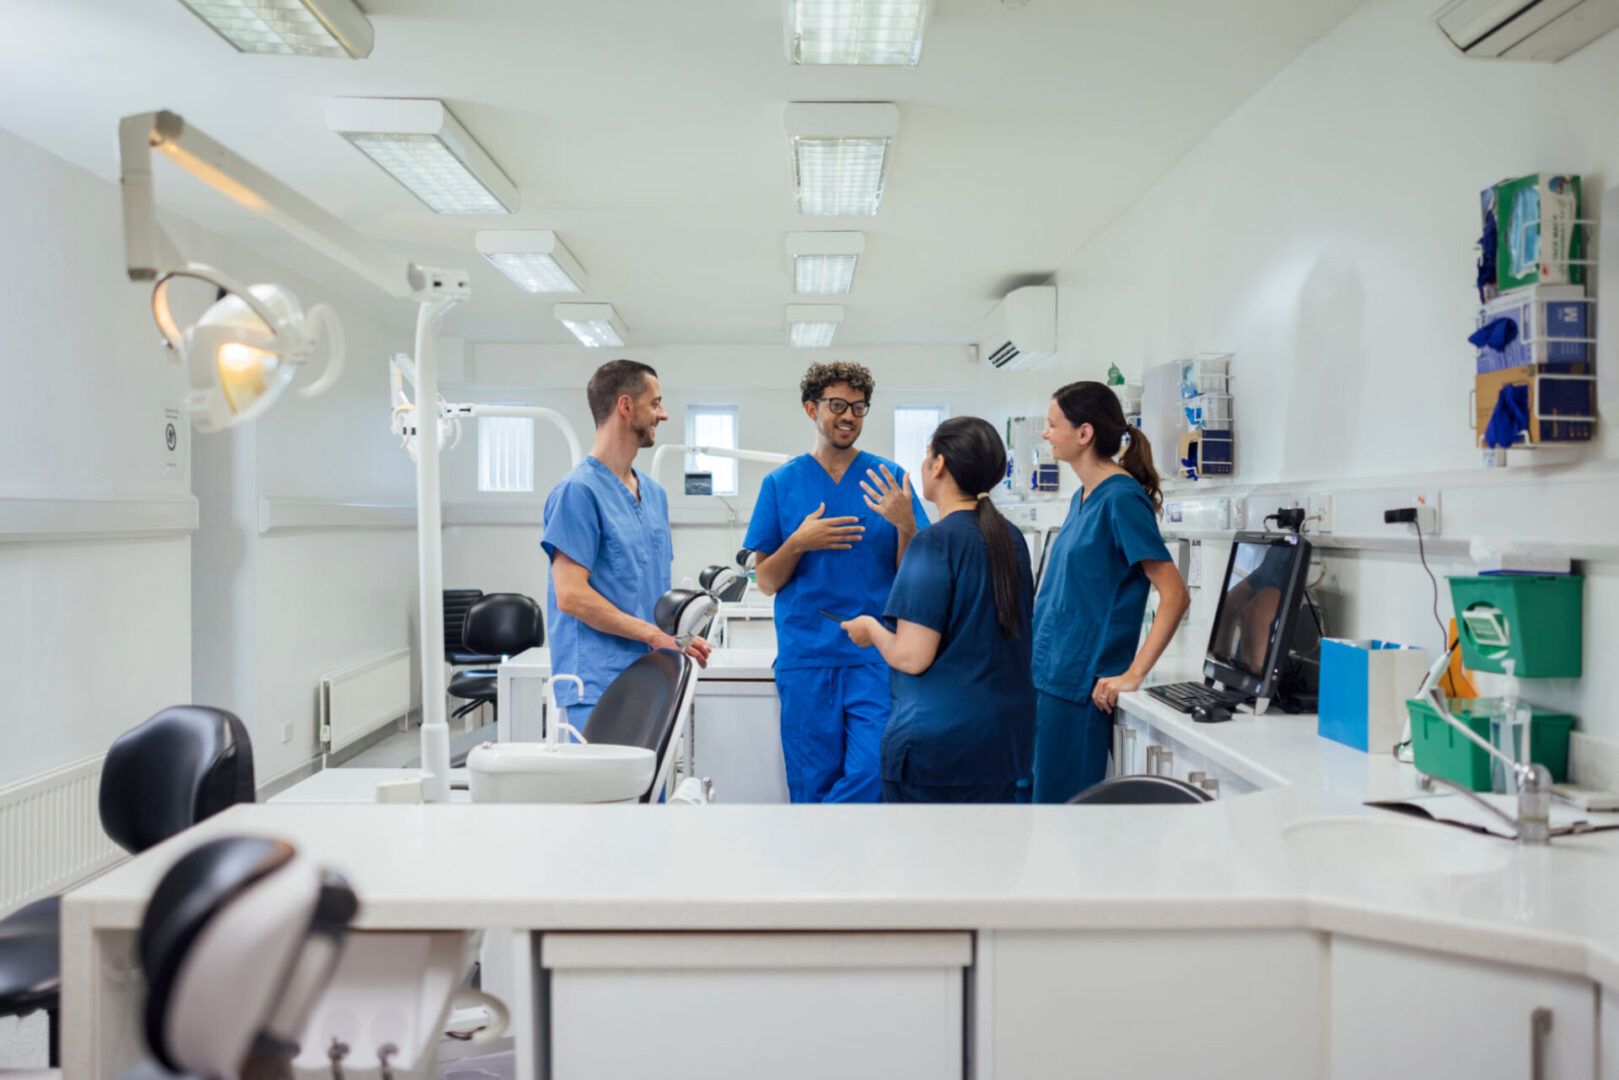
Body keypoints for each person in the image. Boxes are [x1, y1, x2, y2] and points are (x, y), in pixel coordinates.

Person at [743, 361, 928, 803]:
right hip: (807, 657)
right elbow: (766, 581)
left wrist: (906, 526)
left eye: (859, 407)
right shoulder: (780, 484)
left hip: (874, 658)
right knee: (810, 782)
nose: (849, 416)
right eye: (838, 405)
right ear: (812, 409)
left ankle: (820, 834)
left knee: (874, 772)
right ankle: (819, 865)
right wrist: (799, 543)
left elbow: (915, 576)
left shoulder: (889, 479)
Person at [841, 417, 1036, 803]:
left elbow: (912, 656)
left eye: (927, 454)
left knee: (925, 863)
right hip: (1002, 745)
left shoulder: (933, 543)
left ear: (940, 464)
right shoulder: (1010, 538)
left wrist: (871, 630)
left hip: (938, 751)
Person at [1031, 381, 1190, 803]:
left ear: (1084, 434)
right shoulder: (1083, 495)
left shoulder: (1121, 499)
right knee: (1035, 808)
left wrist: (1134, 674)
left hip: (1082, 686)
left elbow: (1174, 594)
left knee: (1063, 818)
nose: (1045, 434)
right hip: (1050, 674)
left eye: (1052, 425)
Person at [542, 359, 710, 728]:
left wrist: (679, 634)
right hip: (599, 686)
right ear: (626, 406)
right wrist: (655, 636)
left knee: (652, 788)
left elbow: (648, 587)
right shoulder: (578, 492)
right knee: (605, 788)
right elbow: (570, 595)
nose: (662, 415)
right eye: (655, 403)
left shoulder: (655, 494)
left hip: (654, 677)